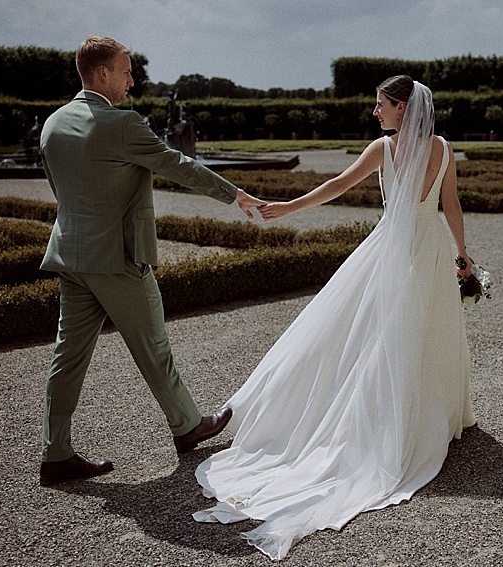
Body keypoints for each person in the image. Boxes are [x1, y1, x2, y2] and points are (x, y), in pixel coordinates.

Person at [193, 75, 477, 560]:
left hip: (390, 250)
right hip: (427, 252)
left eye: (381, 105)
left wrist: (288, 207)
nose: (375, 112)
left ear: (403, 109)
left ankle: (388, 419)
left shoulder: (382, 150)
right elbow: (450, 204)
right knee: (421, 333)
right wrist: (462, 254)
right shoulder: (444, 148)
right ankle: (423, 416)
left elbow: (335, 187)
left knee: (376, 336)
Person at [38, 35, 264, 487]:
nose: (132, 80)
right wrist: (233, 194)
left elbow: (62, 191)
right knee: (154, 348)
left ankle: (55, 453)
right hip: (118, 259)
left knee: (66, 359)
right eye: (125, 71)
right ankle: (187, 426)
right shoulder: (121, 124)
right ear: (102, 74)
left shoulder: (53, 125)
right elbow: (178, 164)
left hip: (70, 255)